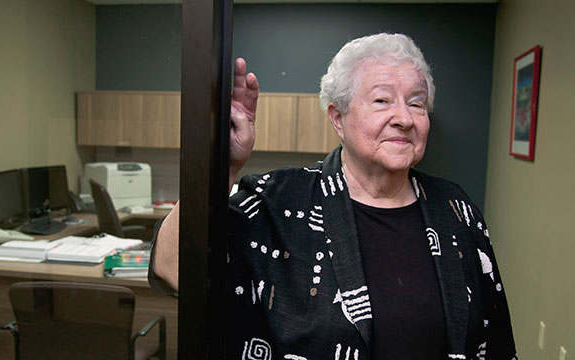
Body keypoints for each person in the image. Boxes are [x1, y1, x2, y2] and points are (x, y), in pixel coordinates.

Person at [149, 33, 517, 359]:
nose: (404, 117)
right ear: (337, 118)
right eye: (382, 101)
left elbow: (496, 337)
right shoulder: (277, 203)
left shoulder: (456, 210)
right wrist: (216, 167)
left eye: (417, 103)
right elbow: (176, 269)